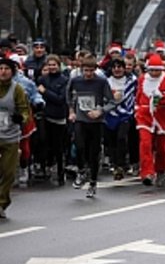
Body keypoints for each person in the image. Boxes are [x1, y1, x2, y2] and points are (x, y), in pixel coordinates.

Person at [66, 56, 115, 197]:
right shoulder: (76, 81)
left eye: (91, 71)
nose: (88, 74)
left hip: (96, 122)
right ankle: (81, 171)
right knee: (79, 146)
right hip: (80, 119)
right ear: (81, 70)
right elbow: (68, 94)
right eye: (86, 71)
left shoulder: (101, 82)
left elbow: (112, 101)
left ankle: (93, 182)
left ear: (95, 70)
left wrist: (100, 110)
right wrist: (71, 110)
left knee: (94, 153)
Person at [135, 54, 165, 186]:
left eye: (157, 70)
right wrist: (137, 109)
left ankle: (161, 168)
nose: (154, 73)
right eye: (152, 70)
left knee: (161, 147)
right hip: (144, 115)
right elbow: (138, 95)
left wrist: (164, 96)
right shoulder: (142, 79)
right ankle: (147, 172)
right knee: (145, 143)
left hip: (161, 115)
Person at [0, 55, 32, 219]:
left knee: (8, 172)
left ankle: (2, 203)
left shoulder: (17, 89)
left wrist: (21, 118)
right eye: (0, 69)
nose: (3, 72)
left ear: (12, 72)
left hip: (10, 136)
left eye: (6, 69)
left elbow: (25, 110)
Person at [37, 55, 70, 185]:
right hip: (45, 115)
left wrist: (45, 92)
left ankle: (61, 171)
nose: (52, 67)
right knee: (44, 142)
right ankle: (46, 167)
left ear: (59, 65)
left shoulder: (64, 80)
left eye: (54, 65)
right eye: (49, 65)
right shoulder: (42, 79)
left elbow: (60, 99)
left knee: (58, 145)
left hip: (58, 116)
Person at [104, 58, 136, 180]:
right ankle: (114, 162)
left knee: (121, 138)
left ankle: (120, 165)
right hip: (110, 114)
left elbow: (135, 95)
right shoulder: (106, 82)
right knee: (111, 141)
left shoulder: (131, 81)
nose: (117, 69)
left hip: (125, 114)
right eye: (114, 67)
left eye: (120, 67)